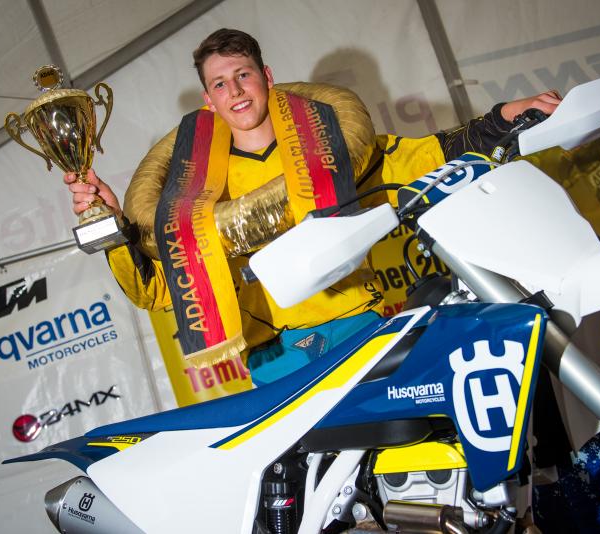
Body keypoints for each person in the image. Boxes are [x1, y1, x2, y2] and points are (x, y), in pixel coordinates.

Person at [64, 28, 560, 388]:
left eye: (243, 75)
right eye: (220, 83)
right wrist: (115, 228)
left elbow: (422, 157)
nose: (235, 90)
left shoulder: (326, 148)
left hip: (357, 326)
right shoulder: (195, 192)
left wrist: (503, 117)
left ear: (267, 77)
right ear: (208, 100)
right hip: (273, 360)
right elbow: (155, 289)